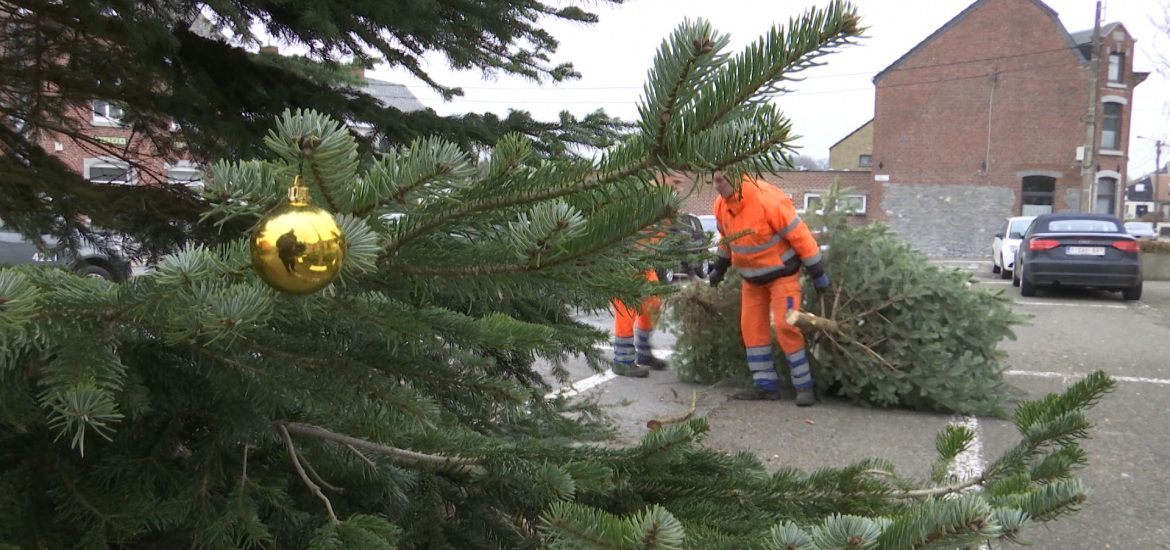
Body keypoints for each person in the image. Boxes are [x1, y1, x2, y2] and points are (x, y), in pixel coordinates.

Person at [707, 172, 830, 406]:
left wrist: (818, 273)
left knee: (786, 325)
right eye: (713, 179)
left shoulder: (767, 200)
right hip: (752, 281)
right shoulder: (721, 206)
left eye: (721, 179)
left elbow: (800, 236)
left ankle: (804, 387)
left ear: (736, 177)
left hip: (783, 276)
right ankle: (765, 386)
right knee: (751, 329)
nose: (715, 185)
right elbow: (726, 241)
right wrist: (719, 269)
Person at [610, 269, 668, 377]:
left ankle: (644, 352)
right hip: (622, 265)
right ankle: (623, 361)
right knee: (626, 309)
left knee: (654, 300)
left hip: (642, 263)